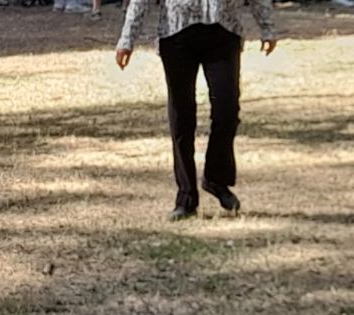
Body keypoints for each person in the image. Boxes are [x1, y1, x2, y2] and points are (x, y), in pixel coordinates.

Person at [115, 0, 277, 221]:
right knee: (182, 116)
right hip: (176, 33)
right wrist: (127, 39)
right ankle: (186, 197)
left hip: (224, 30)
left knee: (227, 111)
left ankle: (216, 178)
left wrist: (266, 27)